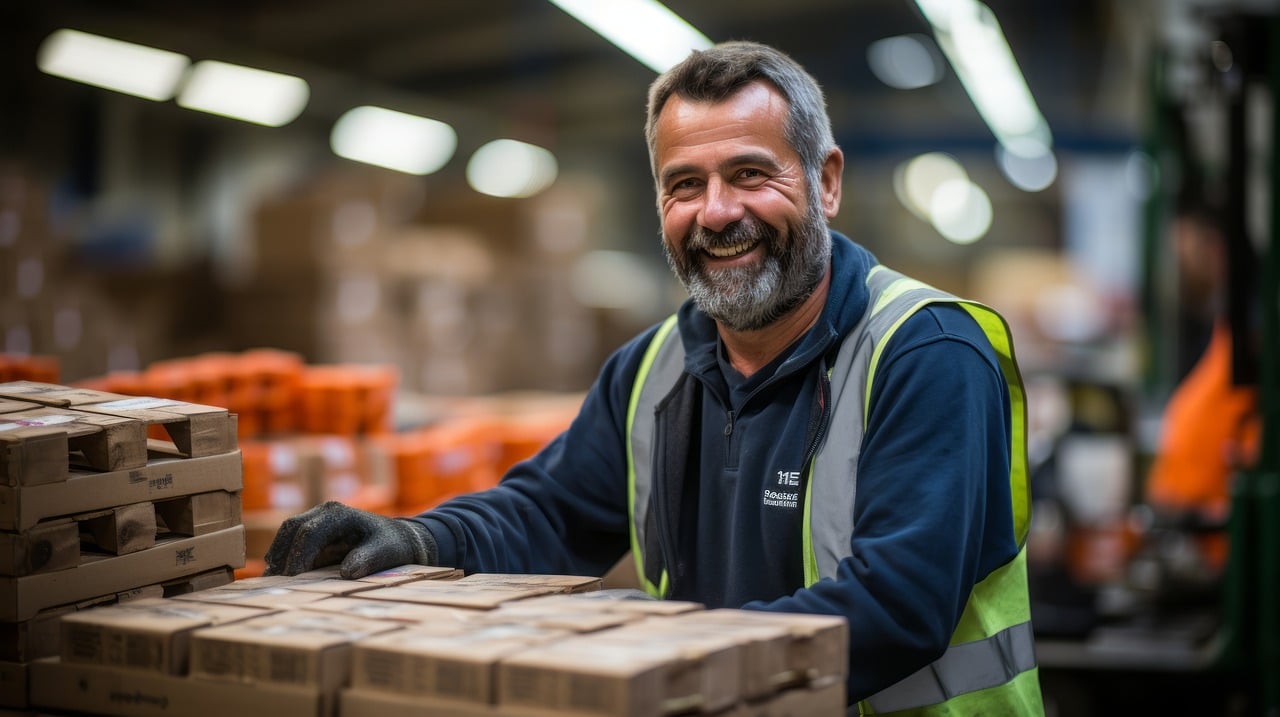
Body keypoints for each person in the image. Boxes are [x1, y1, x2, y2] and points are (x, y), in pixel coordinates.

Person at [265, 41, 1044, 714]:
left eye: (749, 173)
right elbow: (550, 513)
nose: (715, 212)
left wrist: (667, 672)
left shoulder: (926, 353)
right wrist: (421, 535)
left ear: (826, 181)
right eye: (684, 184)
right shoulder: (654, 368)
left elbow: (896, 605)